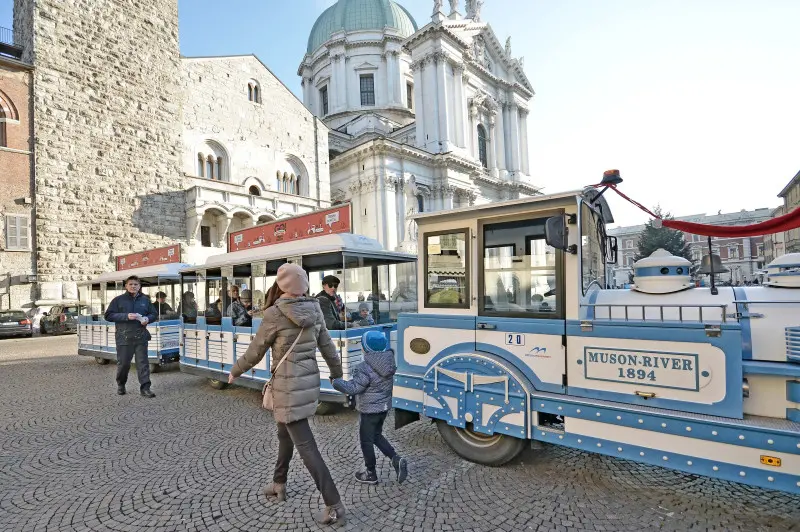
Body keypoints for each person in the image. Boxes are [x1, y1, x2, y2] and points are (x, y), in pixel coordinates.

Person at [228, 264, 346, 525]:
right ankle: (279, 483)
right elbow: (327, 346)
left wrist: (235, 370)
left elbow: (256, 349)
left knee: (307, 447)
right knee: (284, 434)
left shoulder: (274, 313)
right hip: (307, 382)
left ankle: (333, 505)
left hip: (288, 387)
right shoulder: (315, 308)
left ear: (281, 285)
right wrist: (337, 374)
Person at [331, 331, 408, 485]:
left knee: (366, 440)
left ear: (366, 348)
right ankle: (395, 459)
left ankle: (370, 473)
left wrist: (335, 382)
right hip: (383, 408)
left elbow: (353, 388)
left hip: (369, 410)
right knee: (376, 435)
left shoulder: (364, 367)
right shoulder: (388, 362)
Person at [103, 275, 158, 398]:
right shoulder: (118, 300)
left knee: (143, 364)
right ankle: (121, 384)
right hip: (124, 337)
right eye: (131, 284)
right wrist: (125, 316)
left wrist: (147, 319)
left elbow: (154, 314)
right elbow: (108, 316)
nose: (133, 286)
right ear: (126, 286)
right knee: (123, 364)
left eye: (136, 284)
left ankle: (145, 388)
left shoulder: (145, 300)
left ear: (139, 286)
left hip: (140, 336)